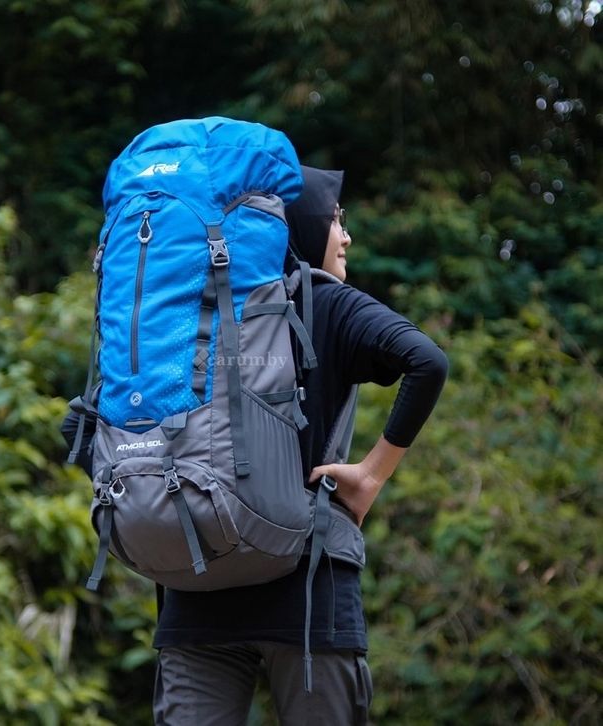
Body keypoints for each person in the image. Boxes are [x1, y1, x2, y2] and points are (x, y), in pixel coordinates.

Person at [150, 166, 449, 725]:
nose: (346, 236)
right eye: (336, 219)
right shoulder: (329, 304)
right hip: (310, 584)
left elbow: (89, 422)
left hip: (197, 579)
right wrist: (371, 476)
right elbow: (427, 362)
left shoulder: (188, 313)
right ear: (306, 226)